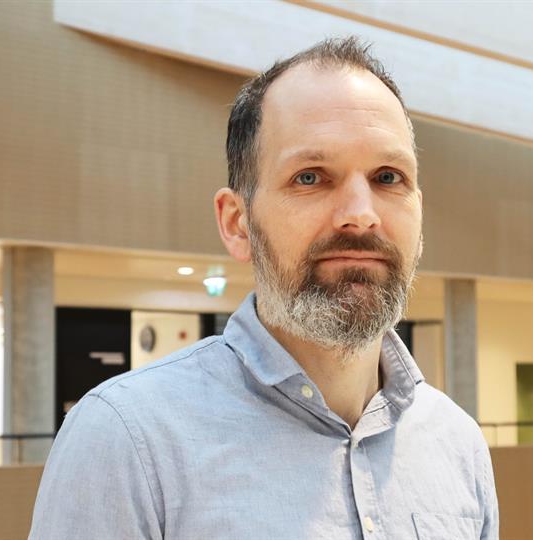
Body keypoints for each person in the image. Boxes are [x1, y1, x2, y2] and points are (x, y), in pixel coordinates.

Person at [29, 37, 499, 539]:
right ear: (238, 224)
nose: (361, 215)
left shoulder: (457, 444)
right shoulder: (127, 438)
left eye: (388, 177)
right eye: (311, 177)